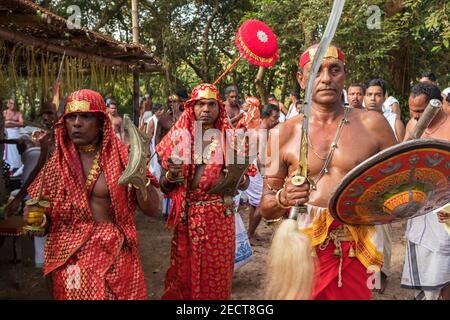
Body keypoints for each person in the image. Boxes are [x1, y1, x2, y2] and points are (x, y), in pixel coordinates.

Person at [260, 44, 397, 300]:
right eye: (316, 71)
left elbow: (399, 190)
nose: (325, 78)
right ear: (302, 80)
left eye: (334, 70)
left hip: (357, 249)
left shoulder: (374, 125)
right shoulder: (281, 134)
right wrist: (284, 198)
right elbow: (265, 207)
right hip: (301, 253)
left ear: (344, 75)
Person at [25, 89, 161, 300]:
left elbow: (154, 210)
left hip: (115, 256)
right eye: (71, 117)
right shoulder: (55, 166)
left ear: (101, 122)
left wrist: (139, 176)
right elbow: (42, 228)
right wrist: (37, 219)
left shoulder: (123, 157)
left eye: (86, 116)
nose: (77, 123)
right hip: (70, 260)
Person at [157, 83, 255, 300]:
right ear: (191, 107)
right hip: (187, 218)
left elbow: (246, 183)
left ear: (219, 108)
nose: (206, 109)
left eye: (211, 104)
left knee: (216, 280)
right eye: (200, 103)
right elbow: (164, 186)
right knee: (184, 278)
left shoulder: (230, 139)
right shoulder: (177, 138)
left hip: (219, 219)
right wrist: (172, 175)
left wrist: (236, 177)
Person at [401, 82, 450, 300]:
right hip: (419, 205)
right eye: (412, 111)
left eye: (420, 111)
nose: (416, 115)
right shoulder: (414, 125)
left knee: (444, 258)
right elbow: (400, 159)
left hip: (446, 207)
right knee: (422, 254)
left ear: (436, 105)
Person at [247, 103, 280, 244]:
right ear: (266, 117)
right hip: (258, 170)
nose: (277, 120)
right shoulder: (262, 132)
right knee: (261, 203)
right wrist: (267, 175)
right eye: (275, 118)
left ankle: (251, 233)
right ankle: (250, 234)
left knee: (254, 204)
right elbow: (261, 158)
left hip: (253, 168)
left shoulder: (260, 130)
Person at [3, 98, 24, 172]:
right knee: (8, 149)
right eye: (11, 103)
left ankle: (17, 166)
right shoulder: (4, 113)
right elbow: (3, 124)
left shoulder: (18, 113)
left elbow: (22, 124)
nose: (13, 105)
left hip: (16, 134)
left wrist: (9, 122)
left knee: (16, 149)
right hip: (7, 133)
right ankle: (9, 165)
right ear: (7, 104)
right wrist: (14, 124)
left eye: (14, 103)